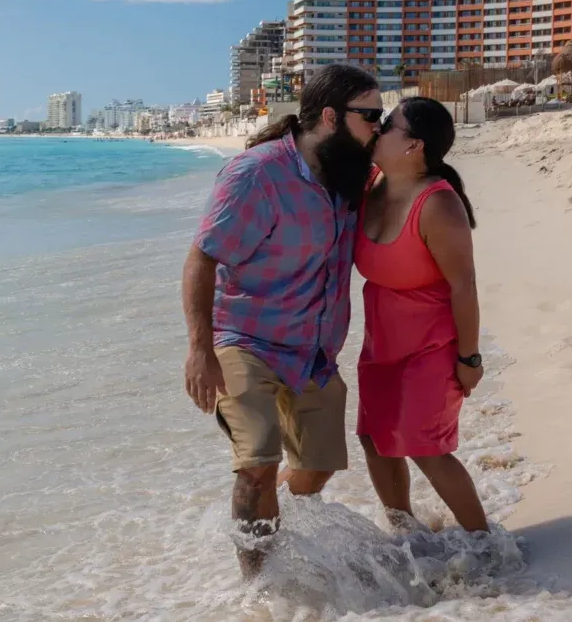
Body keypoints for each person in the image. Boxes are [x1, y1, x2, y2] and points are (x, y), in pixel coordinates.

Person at [181, 64, 383, 577]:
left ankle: (273, 524)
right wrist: (200, 350)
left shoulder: (349, 175)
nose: (377, 127)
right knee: (257, 463)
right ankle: (258, 585)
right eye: (370, 116)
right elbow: (202, 258)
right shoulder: (256, 173)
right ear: (331, 116)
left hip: (313, 351)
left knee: (316, 467)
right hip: (245, 339)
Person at [354, 97, 489, 534]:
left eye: (388, 124)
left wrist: (470, 359)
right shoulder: (371, 183)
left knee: (424, 446)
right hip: (381, 340)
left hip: (432, 344)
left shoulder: (437, 204)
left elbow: (464, 287)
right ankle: (406, 534)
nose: (378, 128)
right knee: (375, 439)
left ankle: (486, 546)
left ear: (414, 145)